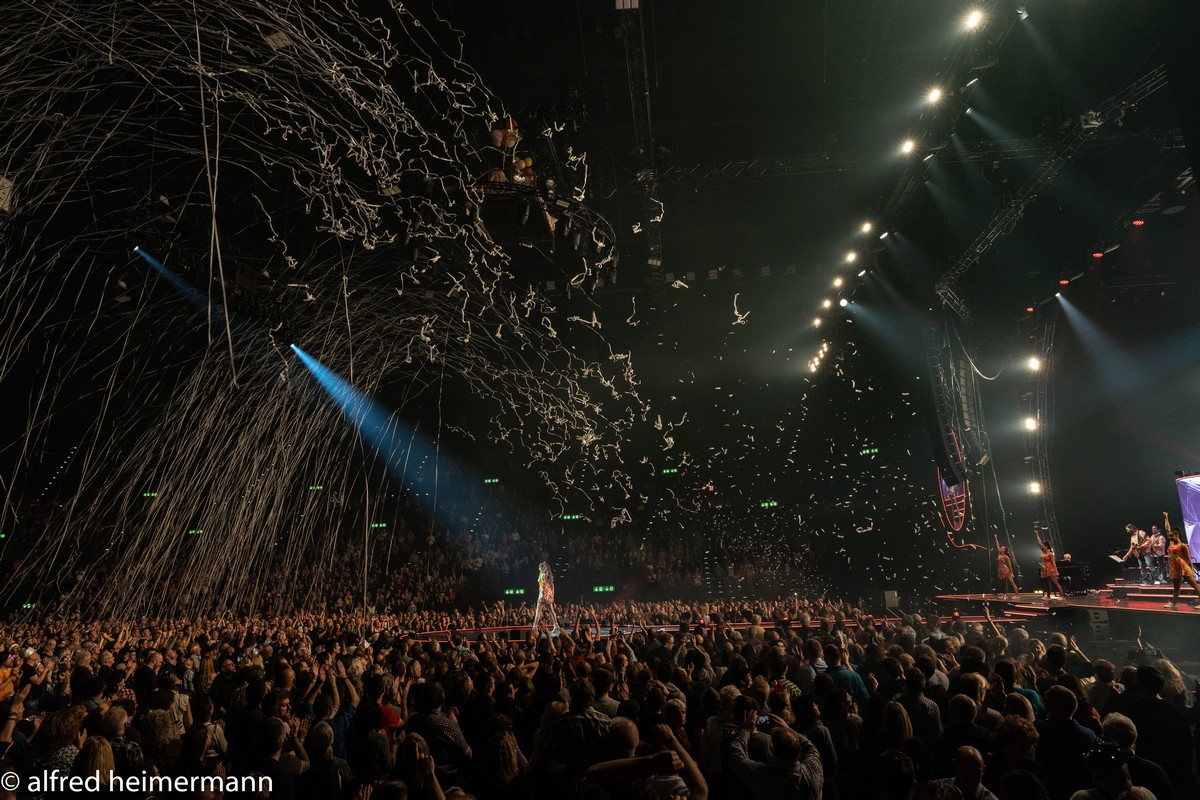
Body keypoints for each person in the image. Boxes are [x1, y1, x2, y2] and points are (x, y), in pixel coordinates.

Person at [1160, 512, 1200, 608]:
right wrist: (1166, 518)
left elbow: (1188, 559)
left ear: (1177, 535)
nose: (1170, 537)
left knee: (1194, 584)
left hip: (1183, 567)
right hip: (1174, 567)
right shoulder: (1171, 543)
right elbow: (1167, 529)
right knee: (1176, 587)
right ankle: (1174, 604)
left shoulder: (1183, 546)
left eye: (1171, 536)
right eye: (1169, 536)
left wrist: (1191, 571)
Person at [1035, 531, 1065, 601]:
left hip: (1050, 569)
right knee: (1047, 584)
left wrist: (1056, 571)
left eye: (1043, 546)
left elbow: (1053, 563)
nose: (1041, 547)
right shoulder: (1043, 552)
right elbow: (1039, 542)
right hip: (1045, 569)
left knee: (1055, 582)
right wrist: (1037, 534)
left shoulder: (1051, 554)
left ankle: (1062, 596)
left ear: (1046, 546)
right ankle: (1048, 596)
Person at [531, 561, 559, 636]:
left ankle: (534, 626)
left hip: (544, 594)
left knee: (538, 610)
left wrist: (547, 565)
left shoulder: (546, 574)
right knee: (550, 610)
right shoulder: (541, 575)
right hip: (545, 594)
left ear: (543, 568)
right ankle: (556, 625)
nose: (539, 569)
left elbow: (550, 576)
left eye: (540, 567)